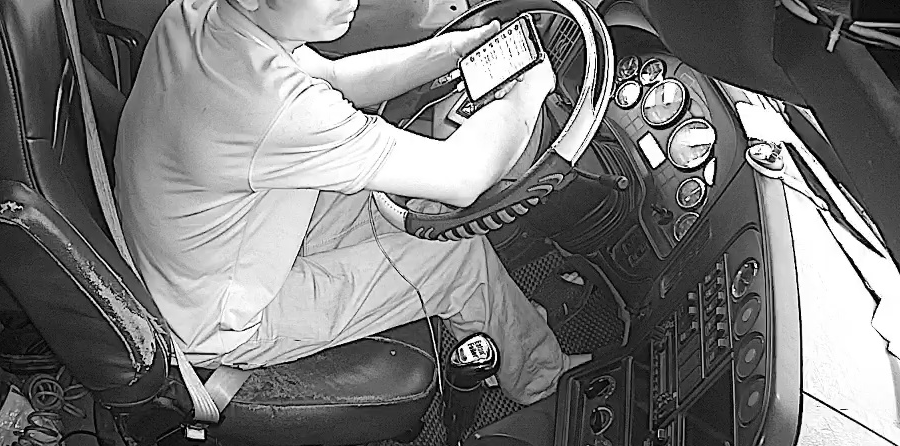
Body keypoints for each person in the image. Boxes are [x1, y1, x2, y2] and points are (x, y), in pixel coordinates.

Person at [115, 0, 590, 406]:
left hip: (205, 246)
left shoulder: (198, 14)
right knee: (454, 255)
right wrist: (528, 92)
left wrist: (452, 51)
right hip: (221, 320)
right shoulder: (269, 104)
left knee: (421, 202)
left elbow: (334, 80)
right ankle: (542, 383)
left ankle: (506, 332)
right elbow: (465, 177)